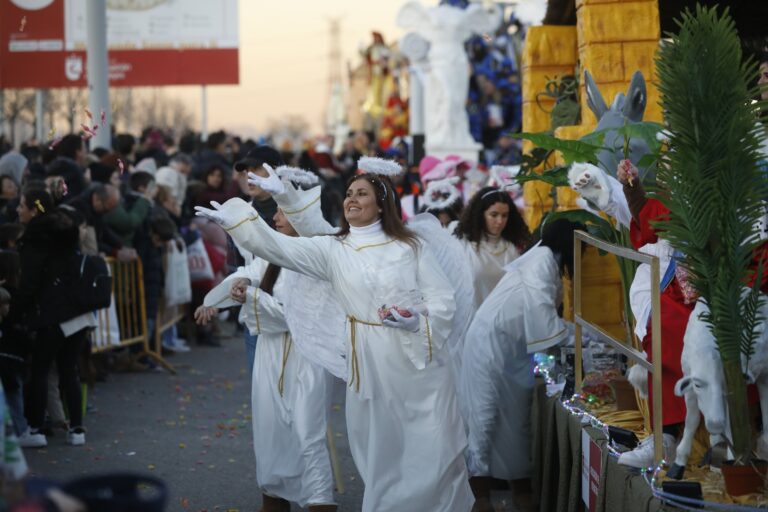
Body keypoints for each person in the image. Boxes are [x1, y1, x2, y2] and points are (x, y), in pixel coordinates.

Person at [195, 169, 473, 511]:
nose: (351, 199)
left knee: (433, 446)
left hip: (419, 361)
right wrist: (238, 222)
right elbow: (277, 246)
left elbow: (442, 300)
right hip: (370, 363)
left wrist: (418, 319)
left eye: (362, 193)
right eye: (349, 193)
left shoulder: (410, 247)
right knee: (380, 452)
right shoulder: (334, 249)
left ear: (382, 204)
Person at [197, 207, 339, 512]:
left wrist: (251, 296)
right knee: (269, 428)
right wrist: (216, 300)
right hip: (270, 352)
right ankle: (274, 499)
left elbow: (297, 314)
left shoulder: (318, 258)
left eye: (283, 213)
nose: (275, 219)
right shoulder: (272, 253)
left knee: (307, 429)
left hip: (308, 354)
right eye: (274, 212)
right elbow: (245, 275)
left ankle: (320, 500)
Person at [460, 219, 581, 511]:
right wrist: (574, 336)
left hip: (514, 349)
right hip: (490, 342)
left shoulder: (548, 259)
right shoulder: (541, 260)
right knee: (484, 417)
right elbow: (541, 310)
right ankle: (480, 499)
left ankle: (521, 493)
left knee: (516, 422)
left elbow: (542, 314)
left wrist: (573, 334)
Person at [16, 186, 87, 447]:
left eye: (22, 205)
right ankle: (77, 429)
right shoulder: (65, 232)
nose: (17, 210)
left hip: (51, 312)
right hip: (77, 311)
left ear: (34, 210)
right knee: (69, 369)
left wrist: (16, 312)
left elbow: (29, 282)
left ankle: (34, 429)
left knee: (40, 370)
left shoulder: (36, 237)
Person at [454, 186, 530, 307]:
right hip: (473, 319)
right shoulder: (463, 246)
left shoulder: (513, 247)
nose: (500, 221)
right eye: (494, 215)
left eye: (504, 215)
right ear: (480, 214)